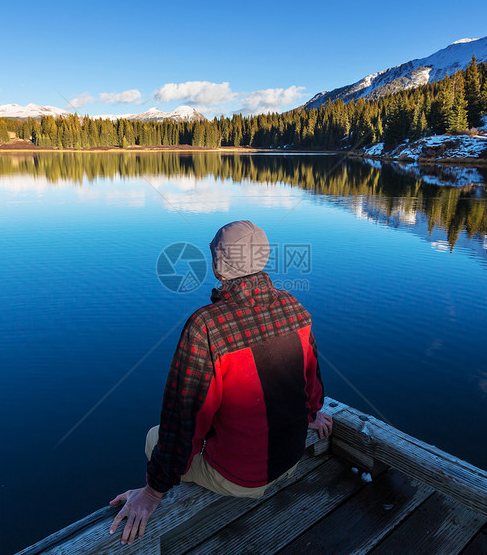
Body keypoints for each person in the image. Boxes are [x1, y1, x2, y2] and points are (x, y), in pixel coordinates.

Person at [109, 220, 332, 546]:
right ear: (263, 258)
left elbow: (182, 420)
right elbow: (310, 381)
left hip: (244, 479)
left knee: (154, 437)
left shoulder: (206, 327)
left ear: (218, 268)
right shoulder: (295, 308)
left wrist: (151, 492)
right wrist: (312, 415)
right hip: (292, 457)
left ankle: (169, 493)